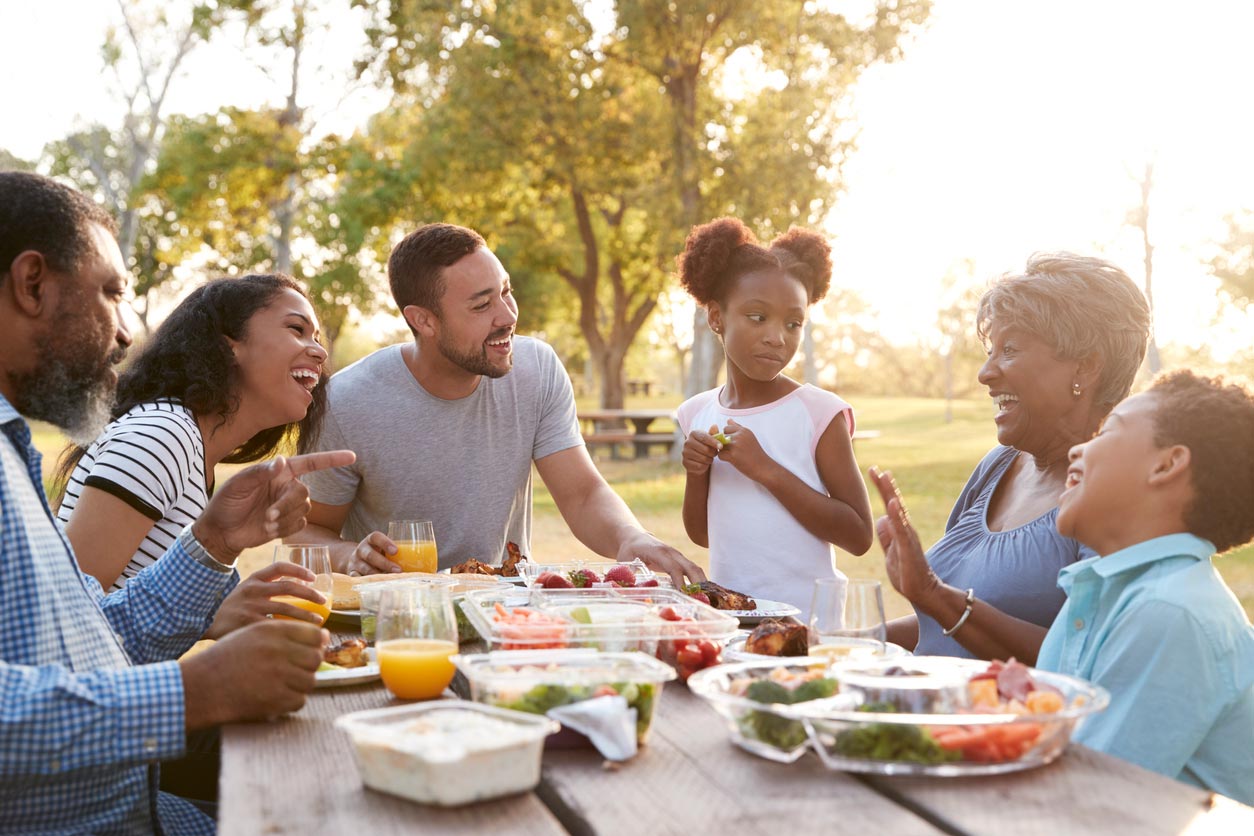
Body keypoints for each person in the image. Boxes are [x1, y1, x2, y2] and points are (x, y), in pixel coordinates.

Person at [0, 170, 354, 834]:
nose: (129, 331)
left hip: (137, 801)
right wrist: (195, 691)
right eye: (111, 292)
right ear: (32, 284)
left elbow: (87, 642)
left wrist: (212, 547)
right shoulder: (162, 433)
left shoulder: (12, 449)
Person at [877, 370, 1254, 804]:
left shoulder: (1171, 612)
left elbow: (1088, 797)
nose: (1078, 449)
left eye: (1108, 431)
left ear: (1166, 465)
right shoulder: (1104, 592)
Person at [296, 222, 704, 586]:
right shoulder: (347, 402)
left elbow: (581, 494)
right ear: (424, 320)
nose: (508, 315)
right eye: (481, 305)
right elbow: (306, 533)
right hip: (398, 618)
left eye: (506, 291)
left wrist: (631, 537)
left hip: (507, 611)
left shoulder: (537, 369)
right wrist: (351, 555)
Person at [870, 253, 1152, 661]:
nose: (985, 373)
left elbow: (1089, 660)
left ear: (1086, 367)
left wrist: (933, 593)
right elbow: (941, 622)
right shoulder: (999, 465)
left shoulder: (1115, 495)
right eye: (991, 350)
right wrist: (843, 640)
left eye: (1010, 349)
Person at [55, 273, 329, 602]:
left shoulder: (194, 454)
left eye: (318, 339)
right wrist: (213, 622)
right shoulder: (162, 436)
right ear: (230, 348)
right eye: (297, 329)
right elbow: (62, 607)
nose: (319, 353)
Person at [674, 218, 873, 615]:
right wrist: (697, 474)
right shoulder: (697, 413)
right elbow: (703, 534)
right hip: (733, 618)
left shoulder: (819, 413)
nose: (776, 337)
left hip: (809, 626)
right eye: (757, 317)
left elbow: (858, 535)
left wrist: (766, 469)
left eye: (793, 323)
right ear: (716, 317)